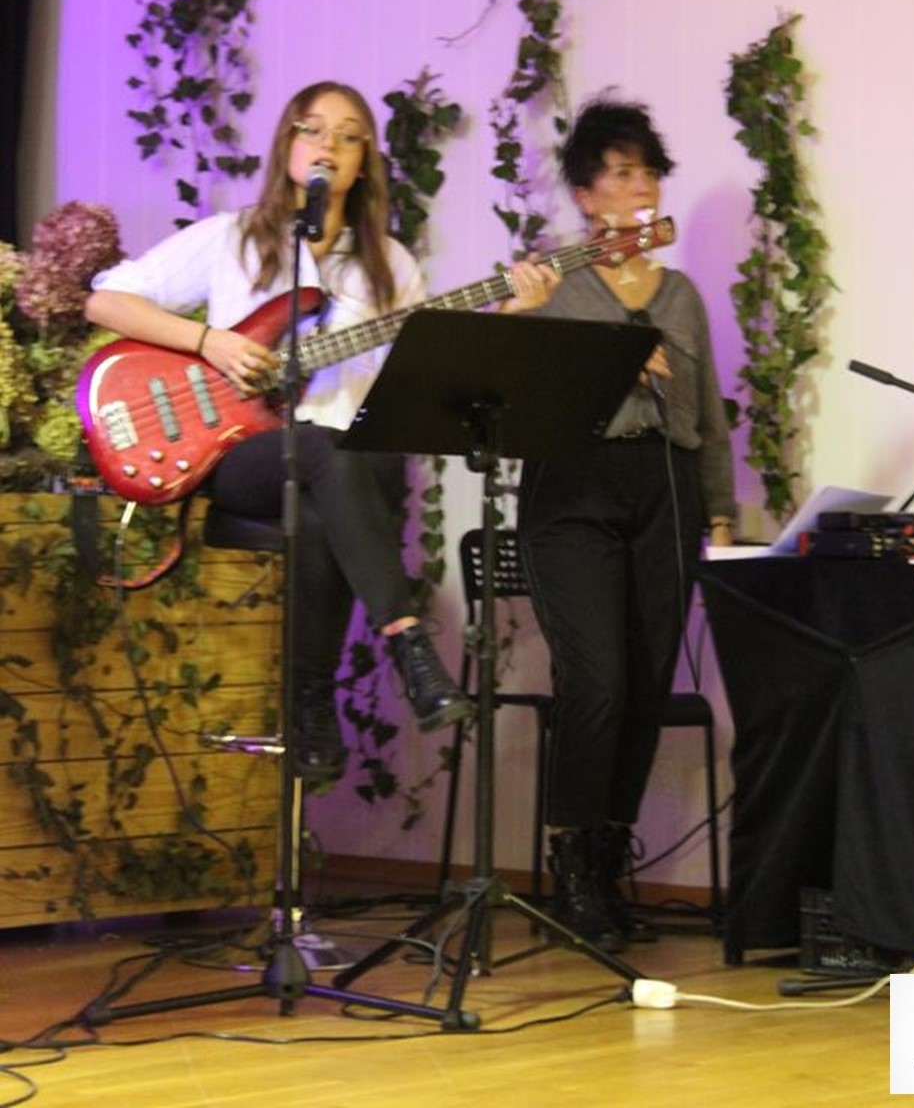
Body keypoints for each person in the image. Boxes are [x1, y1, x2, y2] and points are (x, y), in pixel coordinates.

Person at [84, 80, 475, 785]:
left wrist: (505, 318)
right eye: (313, 128)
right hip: (238, 453)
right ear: (288, 143)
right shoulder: (232, 237)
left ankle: (310, 708)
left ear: (364, 160)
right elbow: (106, 300)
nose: (329, 144)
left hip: (342, 467)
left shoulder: (391, 264)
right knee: (317, 451)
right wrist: (210, 342)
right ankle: (407, 640)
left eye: (348, 135)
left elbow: (420, 374)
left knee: (328, 479)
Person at [510, 93, 737, 950]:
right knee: (597, 679)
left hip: (664, 488)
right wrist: (523, 318)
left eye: (648, 173)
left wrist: (721, 511)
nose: (640, 186)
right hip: (574, 489)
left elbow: (706, 411)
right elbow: (504, 387)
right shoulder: (555, 285)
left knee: (645, 684)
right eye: (620, 173)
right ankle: (571, 859)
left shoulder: (680, 294)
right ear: (585, 194)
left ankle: (607, 862)